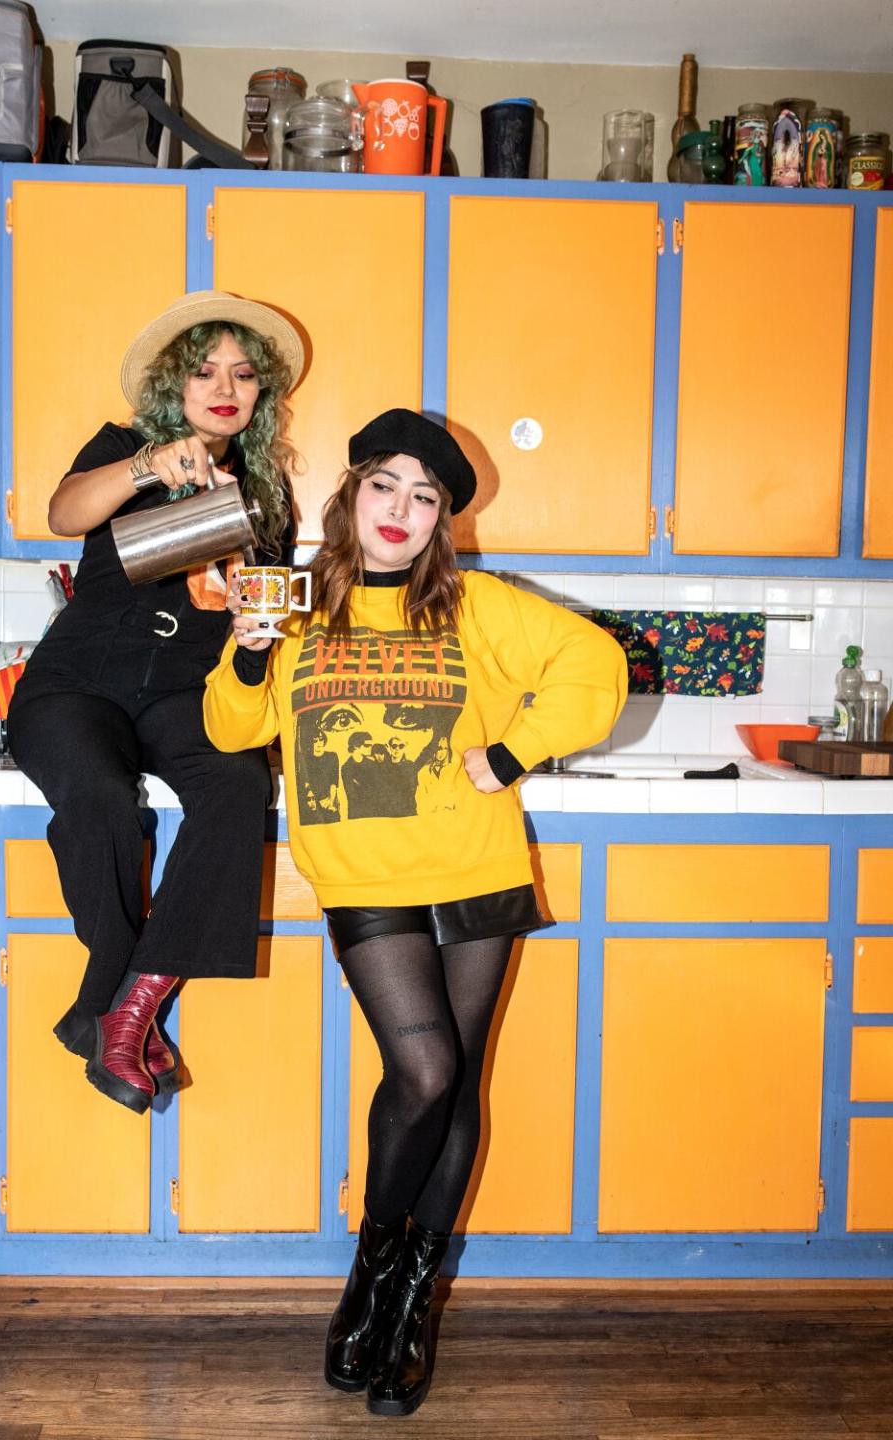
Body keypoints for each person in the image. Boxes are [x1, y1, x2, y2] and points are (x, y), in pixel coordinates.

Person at [204, 408, 627, 1416]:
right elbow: (231, 728)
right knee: (424, 1069)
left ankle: (409, 1305)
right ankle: (370, 1267)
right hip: (364, 875)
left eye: (425, 495)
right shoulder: (299, 606)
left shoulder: (474, 608)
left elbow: (596, 668)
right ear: (350, 495)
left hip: (474, 865)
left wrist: (513, 754)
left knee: (458, 1081)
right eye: (384, 485)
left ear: (442, 521)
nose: (401, 508)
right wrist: (251, 649)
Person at [7, 290, 303, 1115]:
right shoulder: (124, 445)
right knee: (98, 797)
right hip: (80, 683)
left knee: (241, 786)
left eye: (244, 374)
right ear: (177, 380)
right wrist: (150, 467)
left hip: (186, 690)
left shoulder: (266, 488)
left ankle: (121, 1010)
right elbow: (63, 513)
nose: (226, 386)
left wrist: (256, 604)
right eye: (206, 369)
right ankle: (120, 1008)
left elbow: (254, 601)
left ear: (261, 393)